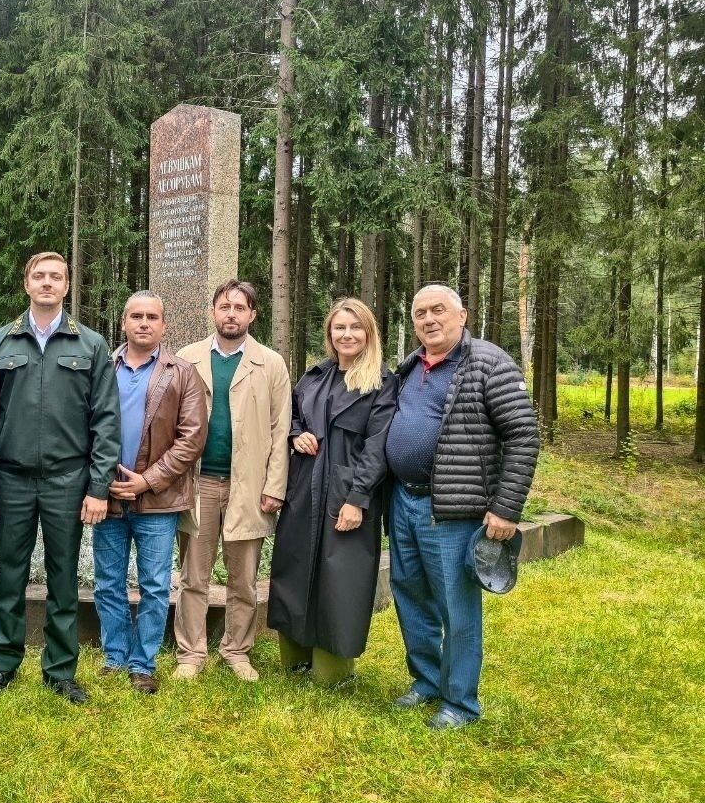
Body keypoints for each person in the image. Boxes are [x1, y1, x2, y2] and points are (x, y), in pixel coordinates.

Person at [386, 284, 540, 730]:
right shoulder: (411, 366)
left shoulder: (489, 363)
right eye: (420, 313)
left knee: (457, 606)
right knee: (410, 595)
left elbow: (523, 436)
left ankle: (460, 703)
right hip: (404, 501)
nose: (429, 319)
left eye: (438, 310)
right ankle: (427, 681)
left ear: (462, 315)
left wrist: (506, 508)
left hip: (452, 510)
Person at [0, 252, 121, 705]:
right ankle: (2, 664)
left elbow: (106, 420)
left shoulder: (90, 345)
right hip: (12, 479)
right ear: (27, 284)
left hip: (67, 479)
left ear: (67, 286)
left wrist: (98, 487)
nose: (48, 282)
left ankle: (60, 670)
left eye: (57, 276)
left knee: (63, 577)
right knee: (9, 575)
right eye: (39, 276)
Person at [267, 297, 397, 687]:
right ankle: (295, 657)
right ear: (330, 333)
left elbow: (377, 447)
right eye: (340, 327)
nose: (347, 334)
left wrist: (358, 499)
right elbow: (290, 414)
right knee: (295, 568)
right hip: (305, 487)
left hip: (347, 490)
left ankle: (332, 669)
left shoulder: (380, 382)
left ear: (369, 333)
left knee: (341, 578)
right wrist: (296, 434)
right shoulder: (314, 376)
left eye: (355, 327)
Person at [173, 280, 291, 682]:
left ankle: (237, 650)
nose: (231, 314)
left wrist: (274, 486)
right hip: (199, 483)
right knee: (193, 575)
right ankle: (191, 652)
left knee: (244, 579)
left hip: (249, 486)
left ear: (252, 315)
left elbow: (280, 429)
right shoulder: (187, 358)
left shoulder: (270, 363)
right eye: (224, 307)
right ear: (212, 311)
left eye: (240, 308)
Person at [93, 291, 207, 694]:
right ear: (124, 322)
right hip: (108, 495)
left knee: (155, 586)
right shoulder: (102, 367)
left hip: (159, 500)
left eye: (152, 317)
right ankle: (115, 656)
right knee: (107, 582)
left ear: (163, 325)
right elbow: (84, 427)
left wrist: (147, 480)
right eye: (137, 316)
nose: (144, 323)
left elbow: (192, 438)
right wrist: (98, 479)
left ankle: (143, 663)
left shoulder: (183, 373)